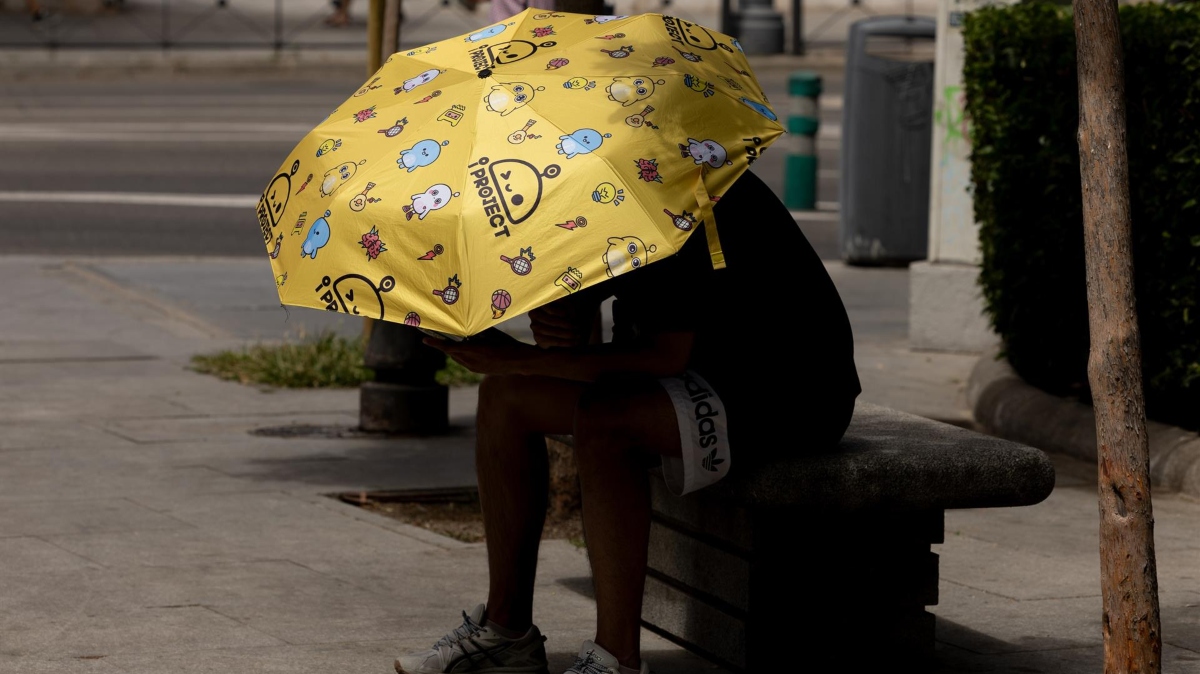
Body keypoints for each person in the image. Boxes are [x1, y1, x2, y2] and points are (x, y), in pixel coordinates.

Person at [404, 169, 862, 674]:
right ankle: (506, 632)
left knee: (606, 422)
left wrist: (522, 359)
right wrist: (565, 324)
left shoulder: (671, 190)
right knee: (505, 399)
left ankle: (616, 658)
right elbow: (605, 346)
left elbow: (662, 356)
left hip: (789, 392)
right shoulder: (599, 194)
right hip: (706, 370)